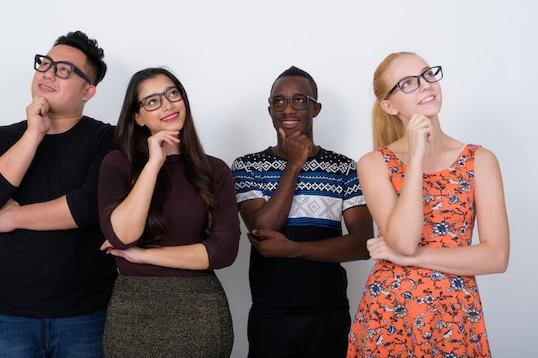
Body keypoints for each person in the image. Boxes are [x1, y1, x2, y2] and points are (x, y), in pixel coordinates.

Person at [347, 52, 510, 357]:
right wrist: (417, 156)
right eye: (408, 83)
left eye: (426, 75)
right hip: (391, 315)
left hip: (455, 314)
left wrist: (414, 259)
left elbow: (496, 257)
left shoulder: (480, 161)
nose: (424, 85)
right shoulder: (374, 163)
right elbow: (404, 241)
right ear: (389, 105)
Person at [0, 31, 117, 358]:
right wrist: (33, 134)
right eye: (45, 64)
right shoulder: (1, 138)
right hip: (11, 313)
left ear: (88, 91)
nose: (48, 72)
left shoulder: (106, 139)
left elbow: (89, 205)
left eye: (64, 69)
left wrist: (14, 216)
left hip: (87, 312)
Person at [231, 66, 374, 357]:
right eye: (279, 101)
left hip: (328, 313)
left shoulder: (344, 169)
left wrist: (292, 249)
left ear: (316, 108)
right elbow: (264, 230)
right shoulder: (247, 167)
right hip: (271, 314)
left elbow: (362, 245)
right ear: (270, 110)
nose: (288, 109)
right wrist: (295, 164)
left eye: (299, 100)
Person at [97, 67, 240, 357]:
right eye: (152, 101)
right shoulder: (117, 164)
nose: (167, 104)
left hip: (202, 314)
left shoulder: (215, 170)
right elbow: (123, 236)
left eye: (172, 93)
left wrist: (144, 255)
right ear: (137, 117)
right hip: (132, 314)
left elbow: (223, 252)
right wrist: (153, 164)